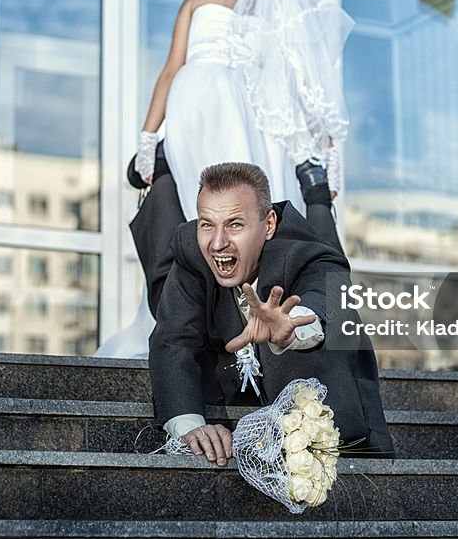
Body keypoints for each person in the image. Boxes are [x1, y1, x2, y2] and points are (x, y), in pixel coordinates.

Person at [96, 0, 352, 358]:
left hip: (200, 108)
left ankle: (201, 326)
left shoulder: (199, 0)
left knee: (204, 219)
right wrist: (328, 156)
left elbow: (171, 71)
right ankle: (261, 323)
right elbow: (306, 86)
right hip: (251, 118)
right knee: (246, 222)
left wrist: (146, 138)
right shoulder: (276, 12)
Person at [148, 163, 393, 465]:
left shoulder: (308, 253)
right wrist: (189, 426)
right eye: (207, 224)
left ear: (269, 224)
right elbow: (173, 340)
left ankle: (318, 195)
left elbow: (327, 297)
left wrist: (292, 328)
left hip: (329, 408)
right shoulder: (191, 248)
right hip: (230, 390)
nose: (217, 242)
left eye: (235, 224)